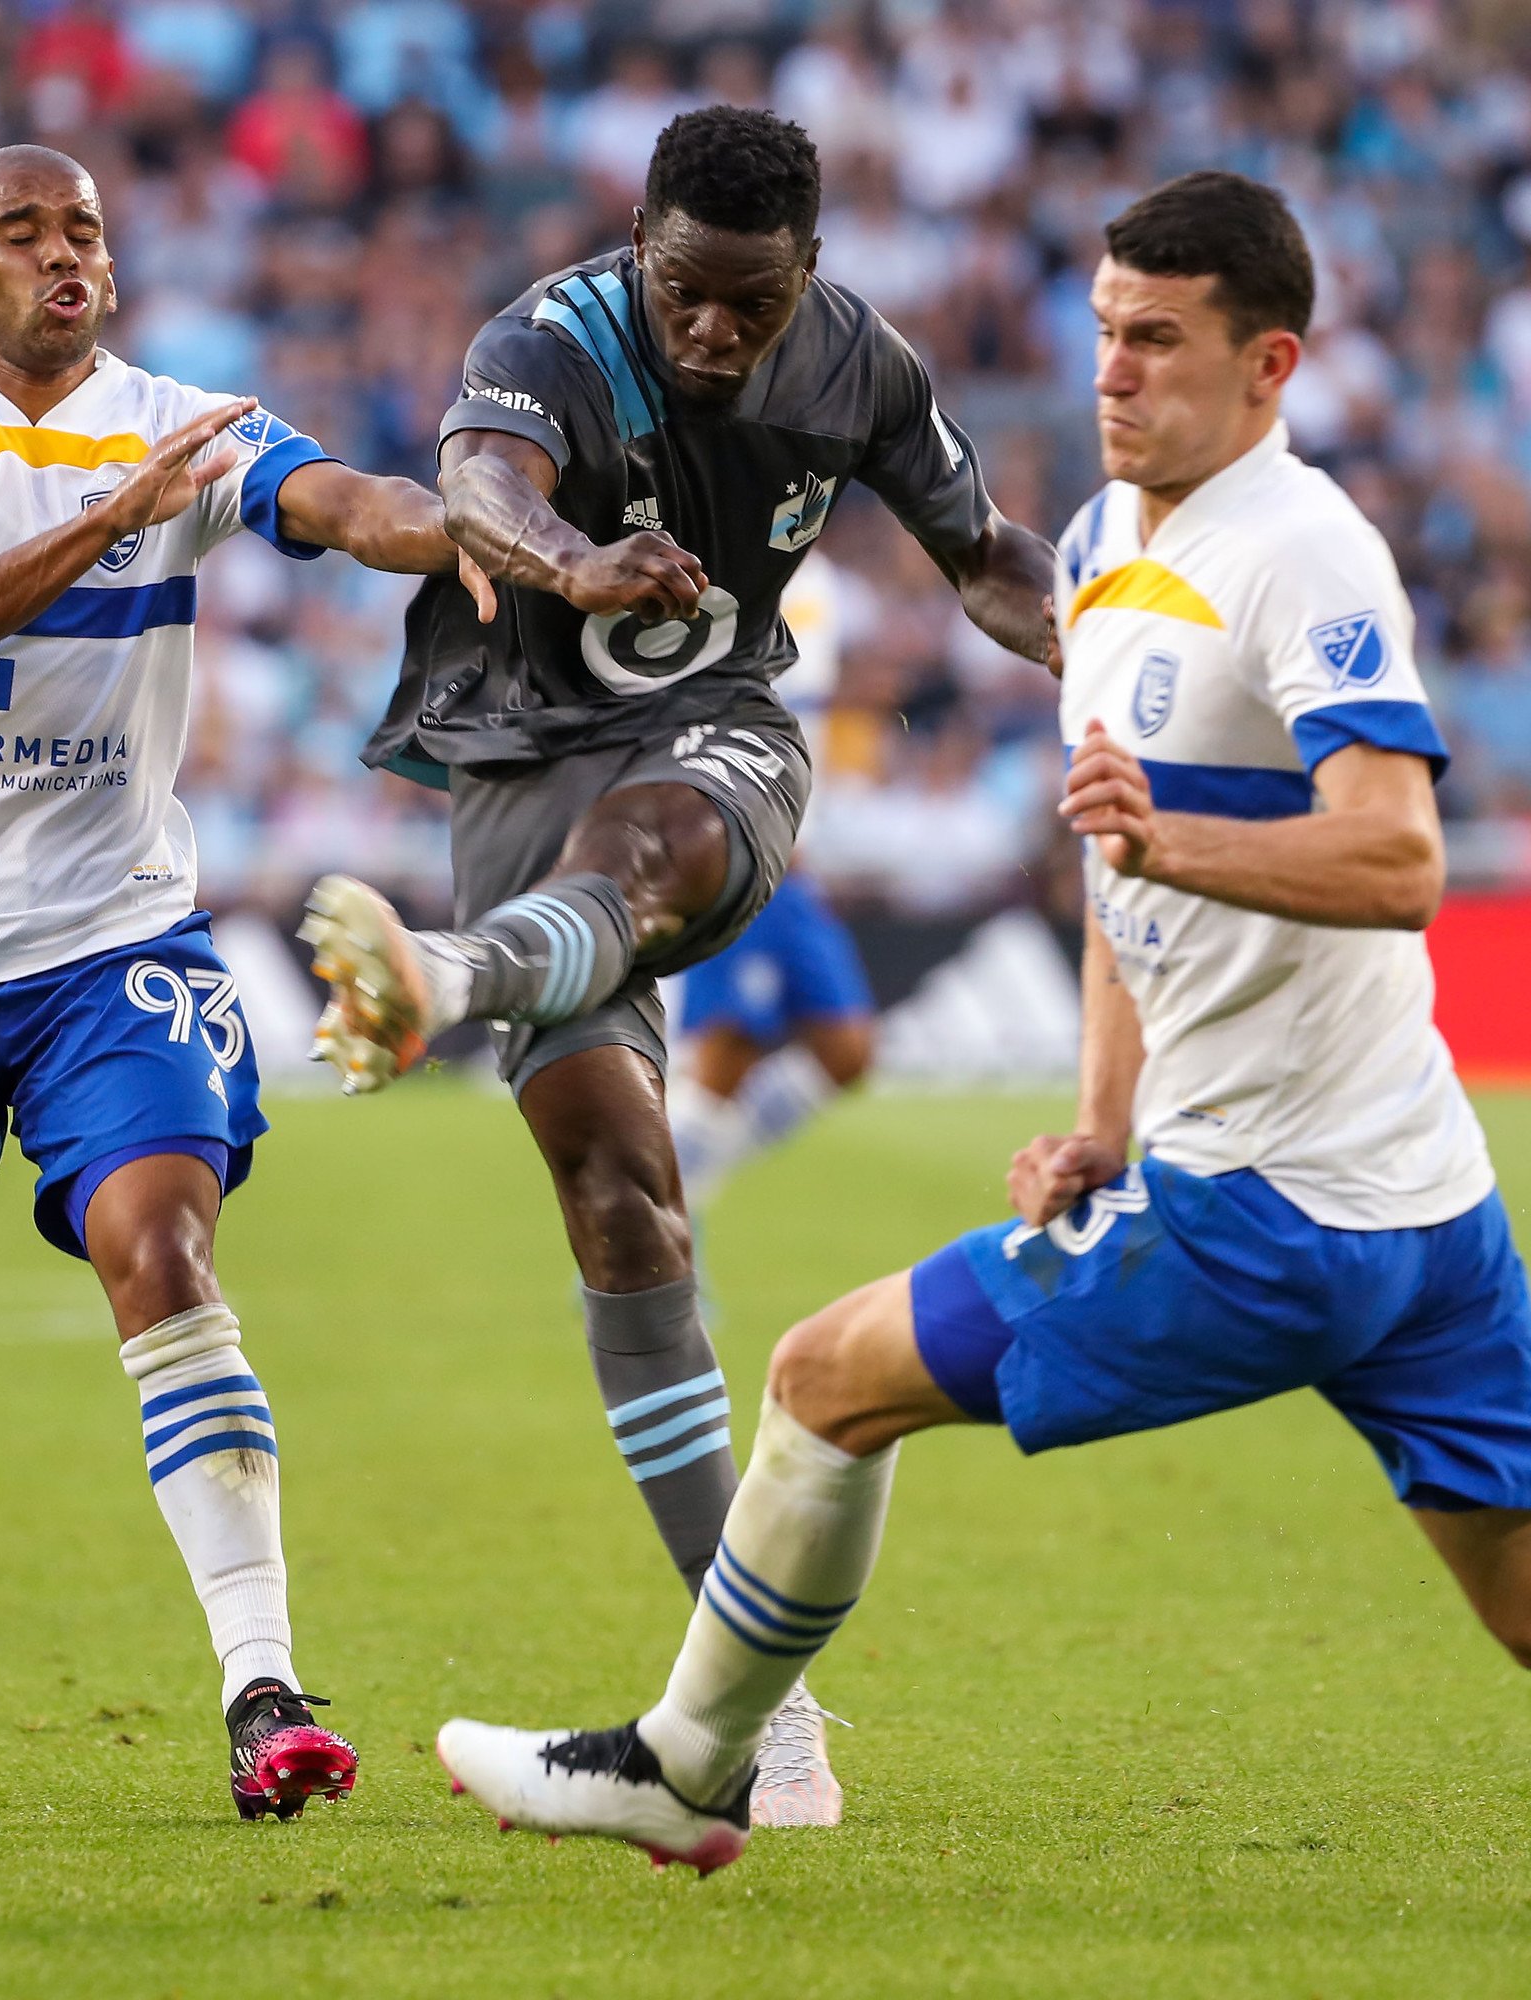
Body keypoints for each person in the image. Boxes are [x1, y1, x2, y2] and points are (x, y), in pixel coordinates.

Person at [431, 170, 1531, 1874]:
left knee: (821, 1381)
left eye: (1160, 342)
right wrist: (1101, 1115)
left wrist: (1162, 834)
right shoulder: (1106, 553)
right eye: (1103, 332)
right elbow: (1125, 891)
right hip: (1418, 1203)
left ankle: (682, 1766)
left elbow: (1399, 855)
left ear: (1268, 367)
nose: (1112, 372)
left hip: (1265, 1215)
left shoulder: (1303, 551)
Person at [300, 107, 1058, 1826]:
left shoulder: (860, 361)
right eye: (687, 293)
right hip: (514, 761)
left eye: (754, 303)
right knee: (619, 1203)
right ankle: (754, 1725)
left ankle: (446, 980)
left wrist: (1100, 638)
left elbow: (980, 556)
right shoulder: (544, 342)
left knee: (653, 849)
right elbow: (481, 492)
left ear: (807, 272)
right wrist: (574, 559)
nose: (716, 332)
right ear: (638, 238)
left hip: (711, 738)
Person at [0, 144, 484, 1820]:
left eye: (83, 228)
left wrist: (473, 537)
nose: (64, 253)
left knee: (157, 1247)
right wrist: (110, 516)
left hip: (112, 946)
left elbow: (340, 504)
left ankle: (262, 1687)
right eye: (20, 233)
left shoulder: (183, 418)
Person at [668, 553, 877, 1211]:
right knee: (724, 1056)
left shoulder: (821, 581)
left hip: (795, 858)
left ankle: (682, 1181)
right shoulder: (720, 555)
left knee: (849, 1048)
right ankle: (661, 1238)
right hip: (738, 844)